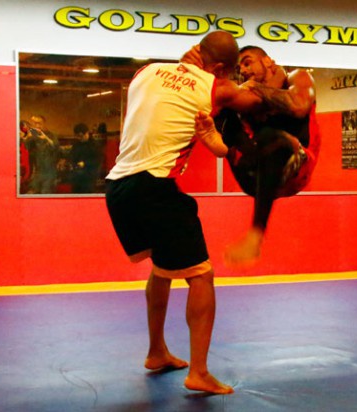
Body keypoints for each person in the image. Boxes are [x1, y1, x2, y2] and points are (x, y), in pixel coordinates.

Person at [105, 31, 265, 395]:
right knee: (201, 276)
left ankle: (156, 352)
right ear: (221, 67)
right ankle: (200, 372)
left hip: (117, 187)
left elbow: (168, 96)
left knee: (161, 270)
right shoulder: (216, 88)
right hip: (155, 187)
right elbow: (259, 100)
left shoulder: (146, 71)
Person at [194, 45, 320, 267]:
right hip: (255, 177)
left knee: (269, 135)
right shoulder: (247, 94)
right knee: (226, 111)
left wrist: (256, 88)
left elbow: (299, 105)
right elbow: (221, 96)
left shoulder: (296, 77)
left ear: (268, 61)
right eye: (239, 67)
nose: (243, 70)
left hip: (295, 168)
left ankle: (256, 234)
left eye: (247, 62)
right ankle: (220, 144)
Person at [23, 114, 61, 194]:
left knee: (45, 192)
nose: (37, 126)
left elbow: (56, 148)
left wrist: (46, 138)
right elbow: (26, 149)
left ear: (44, 123)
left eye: (39, 123)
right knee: (30, 193)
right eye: (35, 123)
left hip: (50, 172)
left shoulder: (52, 135)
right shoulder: (33, 136)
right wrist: (27, 137)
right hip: (38, 172)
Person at [70, 123, 100, 193]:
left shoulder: (94, 145)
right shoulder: (76, 144)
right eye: (77, 136)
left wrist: (85, 163)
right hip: (77, 176)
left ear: (87, 133)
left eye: (81, 136)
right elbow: (72, 155)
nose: (79, 138)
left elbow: (97, 160)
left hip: (89, 176)